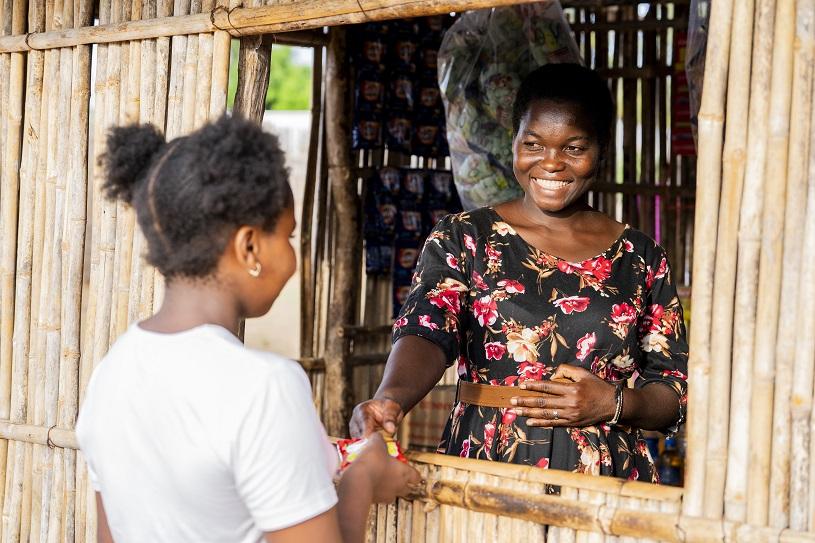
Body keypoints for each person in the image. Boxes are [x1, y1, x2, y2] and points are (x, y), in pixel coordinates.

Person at [75, 116, 421, 543]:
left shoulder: (111, 374)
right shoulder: (265, 388)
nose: (294, 261)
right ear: (249, 246)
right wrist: (365, 476)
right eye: (289, 238)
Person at [350, 63, 688, 482]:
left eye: (574, 148)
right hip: (488, 464)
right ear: (514, 144)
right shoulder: (466, 237)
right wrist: (390, 398)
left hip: (605, 480)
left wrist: (615, 403)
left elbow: (673, 388)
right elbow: (427, 331)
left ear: (600, 151)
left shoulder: (640, 257)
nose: (551, 163)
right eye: (534, 144)